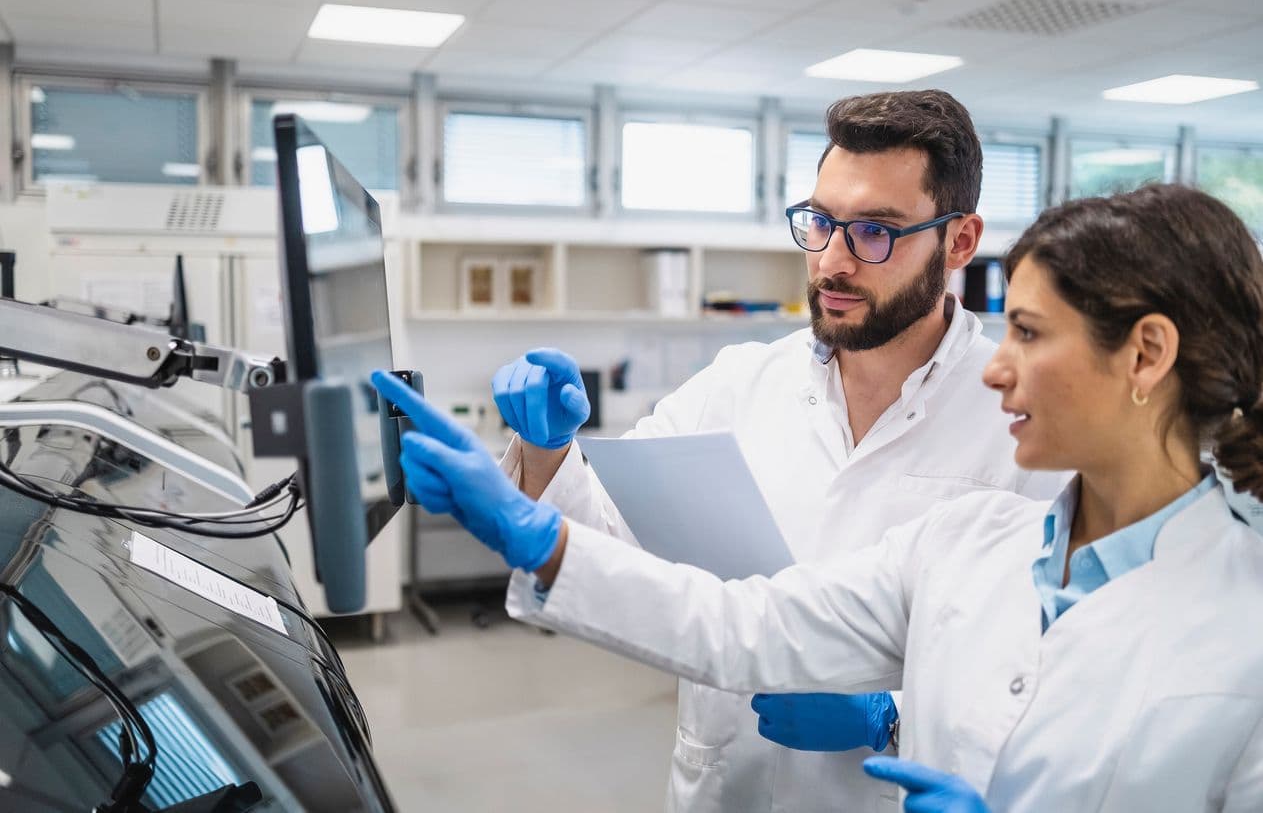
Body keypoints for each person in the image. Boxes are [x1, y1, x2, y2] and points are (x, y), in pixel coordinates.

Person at [374, 182, 1263, 811]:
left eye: (1027, 333)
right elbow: (736, 624)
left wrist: (887, 718)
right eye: (821, 224)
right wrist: (536, 531)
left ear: (1145, 355)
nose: (999, 365)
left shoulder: (1241, 628)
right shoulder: (968, 540)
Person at [484, 89, 1067, 813]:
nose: (833, 261)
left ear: (958, 241)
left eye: (875, 232)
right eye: (820, 222)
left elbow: (1055, 661)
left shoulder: (1022, 422)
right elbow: (608, 544)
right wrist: (547, 453)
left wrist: (890, 711)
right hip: (728, 783)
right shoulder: (740, 383)